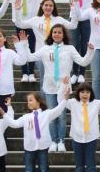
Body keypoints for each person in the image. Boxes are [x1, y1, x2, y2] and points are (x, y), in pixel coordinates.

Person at [23, 24, 95, 152]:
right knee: (51, 115)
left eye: (59, 32)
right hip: (49, 87)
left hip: (64, 87)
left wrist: (90, 51)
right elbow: (29, 57)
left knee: (61, 115)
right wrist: (23, 44)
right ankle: (53, 141)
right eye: (54, 32)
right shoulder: (45, 48)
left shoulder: (70, 48)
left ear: (63, 35)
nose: (56, 34)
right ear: (51, 34)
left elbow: (83, 62)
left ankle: (61, 141)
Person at [5, 82, 69, 172]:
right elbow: (14, 124)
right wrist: (6, 111)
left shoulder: (46, 114)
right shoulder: (26, 117)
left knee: (44, 168)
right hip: (29, 147)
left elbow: (58, 110)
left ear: (38, 101)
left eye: (30, 100)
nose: (28, 102)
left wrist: (65, 100)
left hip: (43, 146)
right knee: (29, 169)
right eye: (27, 101)